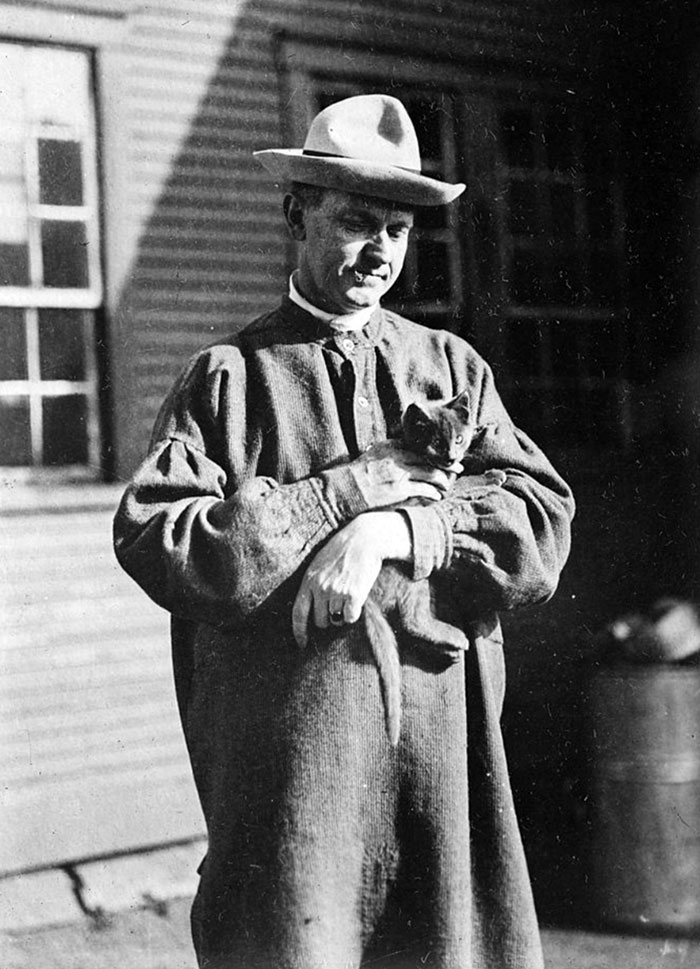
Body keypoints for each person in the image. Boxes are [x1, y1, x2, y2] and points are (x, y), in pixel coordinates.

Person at [113, 94, 574, 969]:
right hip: (299, 777)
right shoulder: (229, 379)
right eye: (357, 221)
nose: (380, 251)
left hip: (439, 764)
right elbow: (164, 541)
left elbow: (540, 523)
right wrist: (341, 497)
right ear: (297, 213)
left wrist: (400, 534)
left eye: (397, 231)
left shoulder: (449, 367)